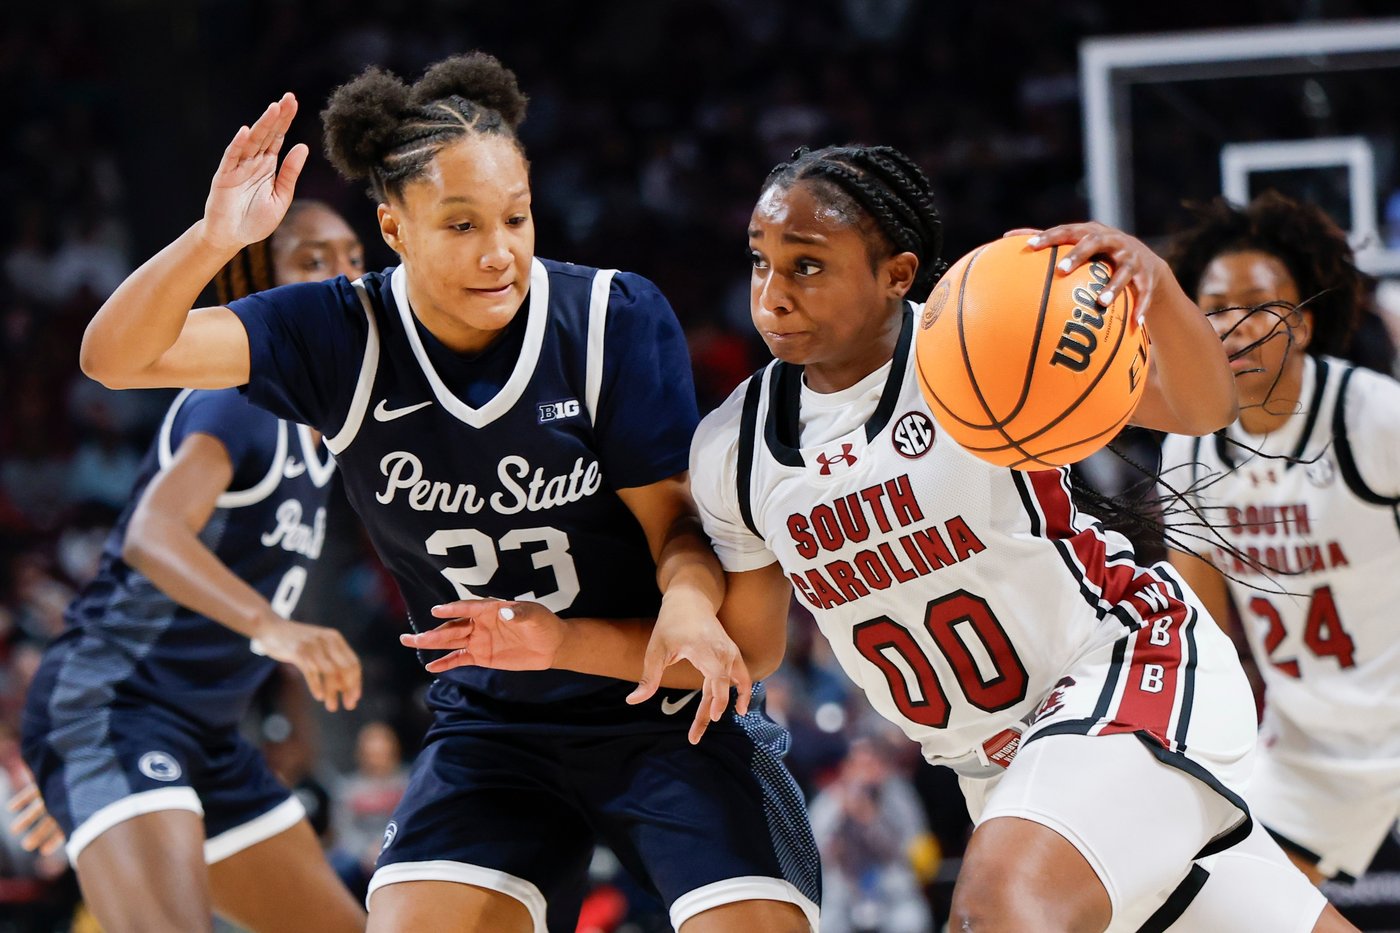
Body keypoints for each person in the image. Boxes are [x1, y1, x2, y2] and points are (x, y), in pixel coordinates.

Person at [415, 146, 1360, 933]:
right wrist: (556, 641)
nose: (773, 292)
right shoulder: (733, 450)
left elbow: (1200, 407)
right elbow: (743, 654)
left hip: (1125, 670)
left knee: (993, 911)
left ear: (897, 274)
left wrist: (1150, 281)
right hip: (1001, 765)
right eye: (760, 262)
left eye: (809, 263)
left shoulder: (981, 345)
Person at [77, 53, 820, 933]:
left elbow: (675, 532)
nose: (499, 251)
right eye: (461, 224)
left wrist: (691, 606)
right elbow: (114, 356)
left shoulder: (609, 317)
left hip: (666, 705)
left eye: (516, 216)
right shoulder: (336, 330)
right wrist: (214, 241)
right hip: (493, 727)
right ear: (393, 228)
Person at [15, 200, 368, 933]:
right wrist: (275, 628)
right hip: (113, 708)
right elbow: (151, 532)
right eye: (313, 261)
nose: (343, 279)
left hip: (203, 733)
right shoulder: (239, 400)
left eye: (354, 259)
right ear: (263, 291)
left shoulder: (330, 423)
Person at [1159, 191, 1400, 887]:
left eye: (1260, 304)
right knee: (1239, 905)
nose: (1235, 324)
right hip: (1309, 747)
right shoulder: (1192, 449)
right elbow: (1203, 634)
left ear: (1303, 324)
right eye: (1215, 306)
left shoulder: (1370, 414)